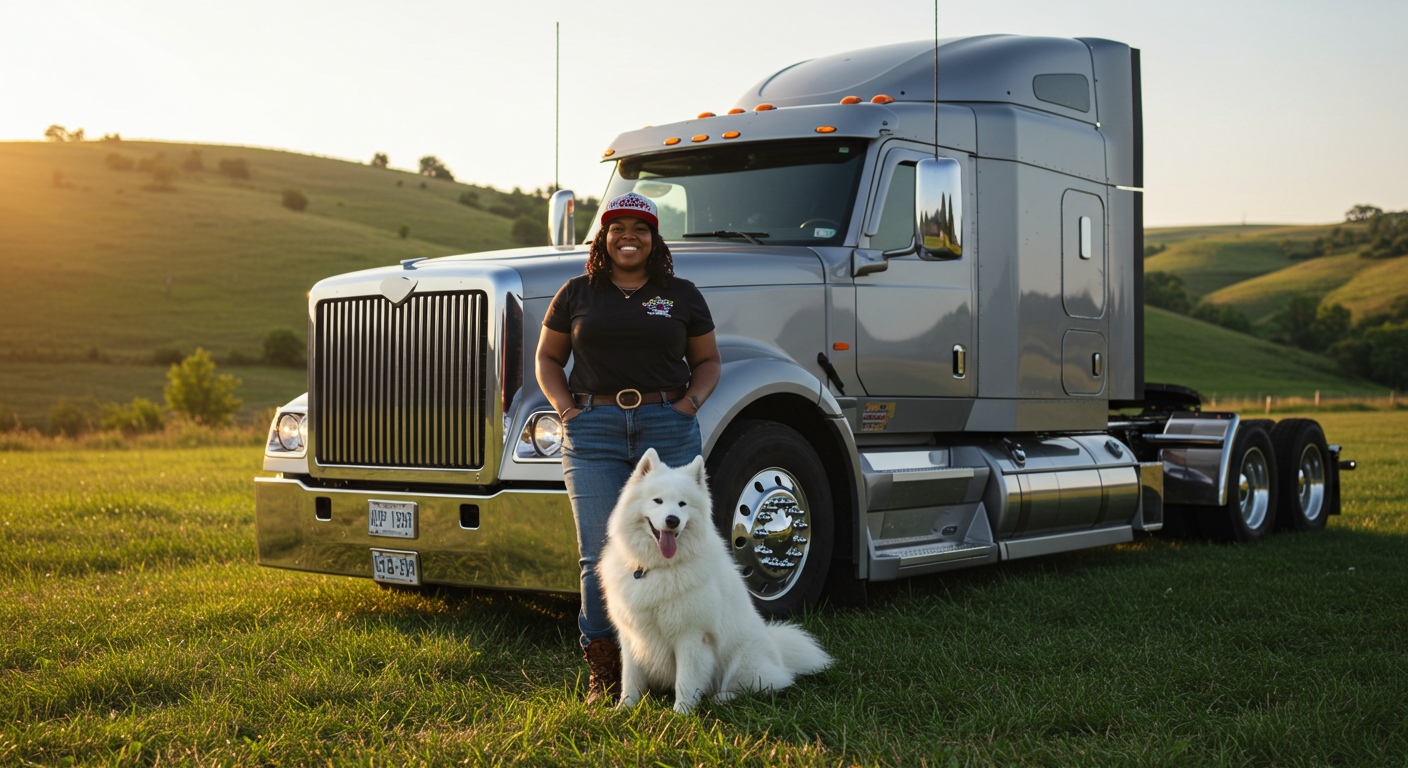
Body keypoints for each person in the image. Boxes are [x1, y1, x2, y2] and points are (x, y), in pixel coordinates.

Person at [535, 192, 721, 703]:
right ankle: (606, 666)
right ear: (604, 236)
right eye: (618, 227)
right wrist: (566, 410)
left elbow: (707, 361)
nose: (629, 236)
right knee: (598, 549)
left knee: (680, 547)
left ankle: (686, 653)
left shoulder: (680, 295)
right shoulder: (577, 293)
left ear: (654, 237)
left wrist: (690, 405)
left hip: (667, 425)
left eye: (640, 228)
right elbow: (548, 358)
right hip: (592, 429)